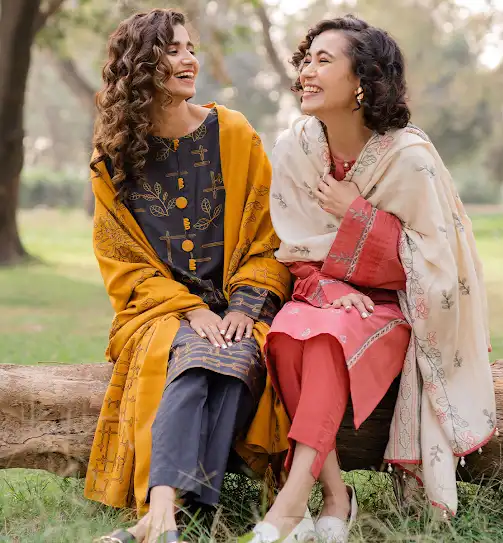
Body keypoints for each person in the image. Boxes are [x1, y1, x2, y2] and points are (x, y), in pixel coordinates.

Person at [246, 15, 497, 543]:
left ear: (362, 80)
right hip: (320, 293)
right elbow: (294, 243)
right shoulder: (296, 147)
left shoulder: (410, 158)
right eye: (305, 60)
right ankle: (336, 495)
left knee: (327, 337)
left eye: (323, 61)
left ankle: (291, 503)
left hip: (393, 305)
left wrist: (358, 213)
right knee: (289, 338)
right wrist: (331, 286)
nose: (306, 73)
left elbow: (434, 262)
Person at [85, 9, 291, 543]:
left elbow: (268, 237)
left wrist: (243, 309)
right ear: (140, 67)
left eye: (190, 47)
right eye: (173, 50)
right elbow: (121, 261)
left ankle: (160, 516)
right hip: (160, 311)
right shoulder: (113, 158)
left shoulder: (235, 133)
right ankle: (168, 514)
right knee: (192, 355)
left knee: (235, 355)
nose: (189, 59)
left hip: (238, 302)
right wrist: (191, 311)